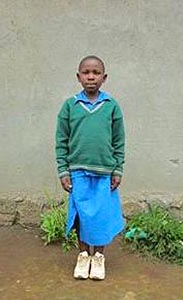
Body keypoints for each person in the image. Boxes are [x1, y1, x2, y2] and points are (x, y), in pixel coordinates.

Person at [56, 55, 125, 280]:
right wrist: (63, 170)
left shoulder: (111, 106)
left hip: (105, 172)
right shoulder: (70, 106)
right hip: (77, 172)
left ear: (104, 78)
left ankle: (98, 258)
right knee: (81, 216)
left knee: (101, 216)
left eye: (96, 73)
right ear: (79, 77)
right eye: (86, 72)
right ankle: (84, 254)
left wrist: (118, 169)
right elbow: (61, 140)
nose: (91, 77)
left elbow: (118, 141)